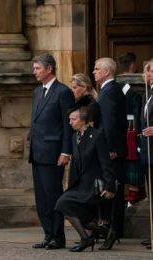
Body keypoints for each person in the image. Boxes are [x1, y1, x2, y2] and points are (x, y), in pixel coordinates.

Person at [29, 53, 74, 250]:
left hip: (53, 153)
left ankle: (58, 236)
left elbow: (67, 125)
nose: (34, 72)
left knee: (53, 195)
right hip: (37, 151)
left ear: (49, 69)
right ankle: (48, 233)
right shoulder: (37, 92)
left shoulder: (63, 92)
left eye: (37, 68)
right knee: (41, 197)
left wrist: (66, 152)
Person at [55, 106, 116, 252]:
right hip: (80, 184)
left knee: (63, 203)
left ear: (84, 120)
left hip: (94, 185)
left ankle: (88, 239)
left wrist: (110, 187)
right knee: (65, 206)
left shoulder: (97, 135)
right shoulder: (74, 137)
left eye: (73, 119)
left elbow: (105, 163)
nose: (70, 122)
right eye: (69, 119)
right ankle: (105, 233)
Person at [93, 57, 127, 250]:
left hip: (111, 151)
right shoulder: (111, 90)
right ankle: (111, 229)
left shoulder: (108, 92)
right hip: (113, 148)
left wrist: (111, 149)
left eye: (97, 69)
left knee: (111, 190)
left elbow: (110, 125)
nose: (94, 72)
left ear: (106, 72)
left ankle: (112, 230)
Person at [117, 53, 145, 206]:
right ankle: (132, 199)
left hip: (121, 132)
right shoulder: (135, 89)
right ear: (133, 66)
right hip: (133, 132)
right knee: (133, 167)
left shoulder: (115, 86)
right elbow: (137, 113)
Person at [140, 59, 153, 250]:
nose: (148, 74)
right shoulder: (149, 93)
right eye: (147, 71)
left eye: (152, 71)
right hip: (149, 152)